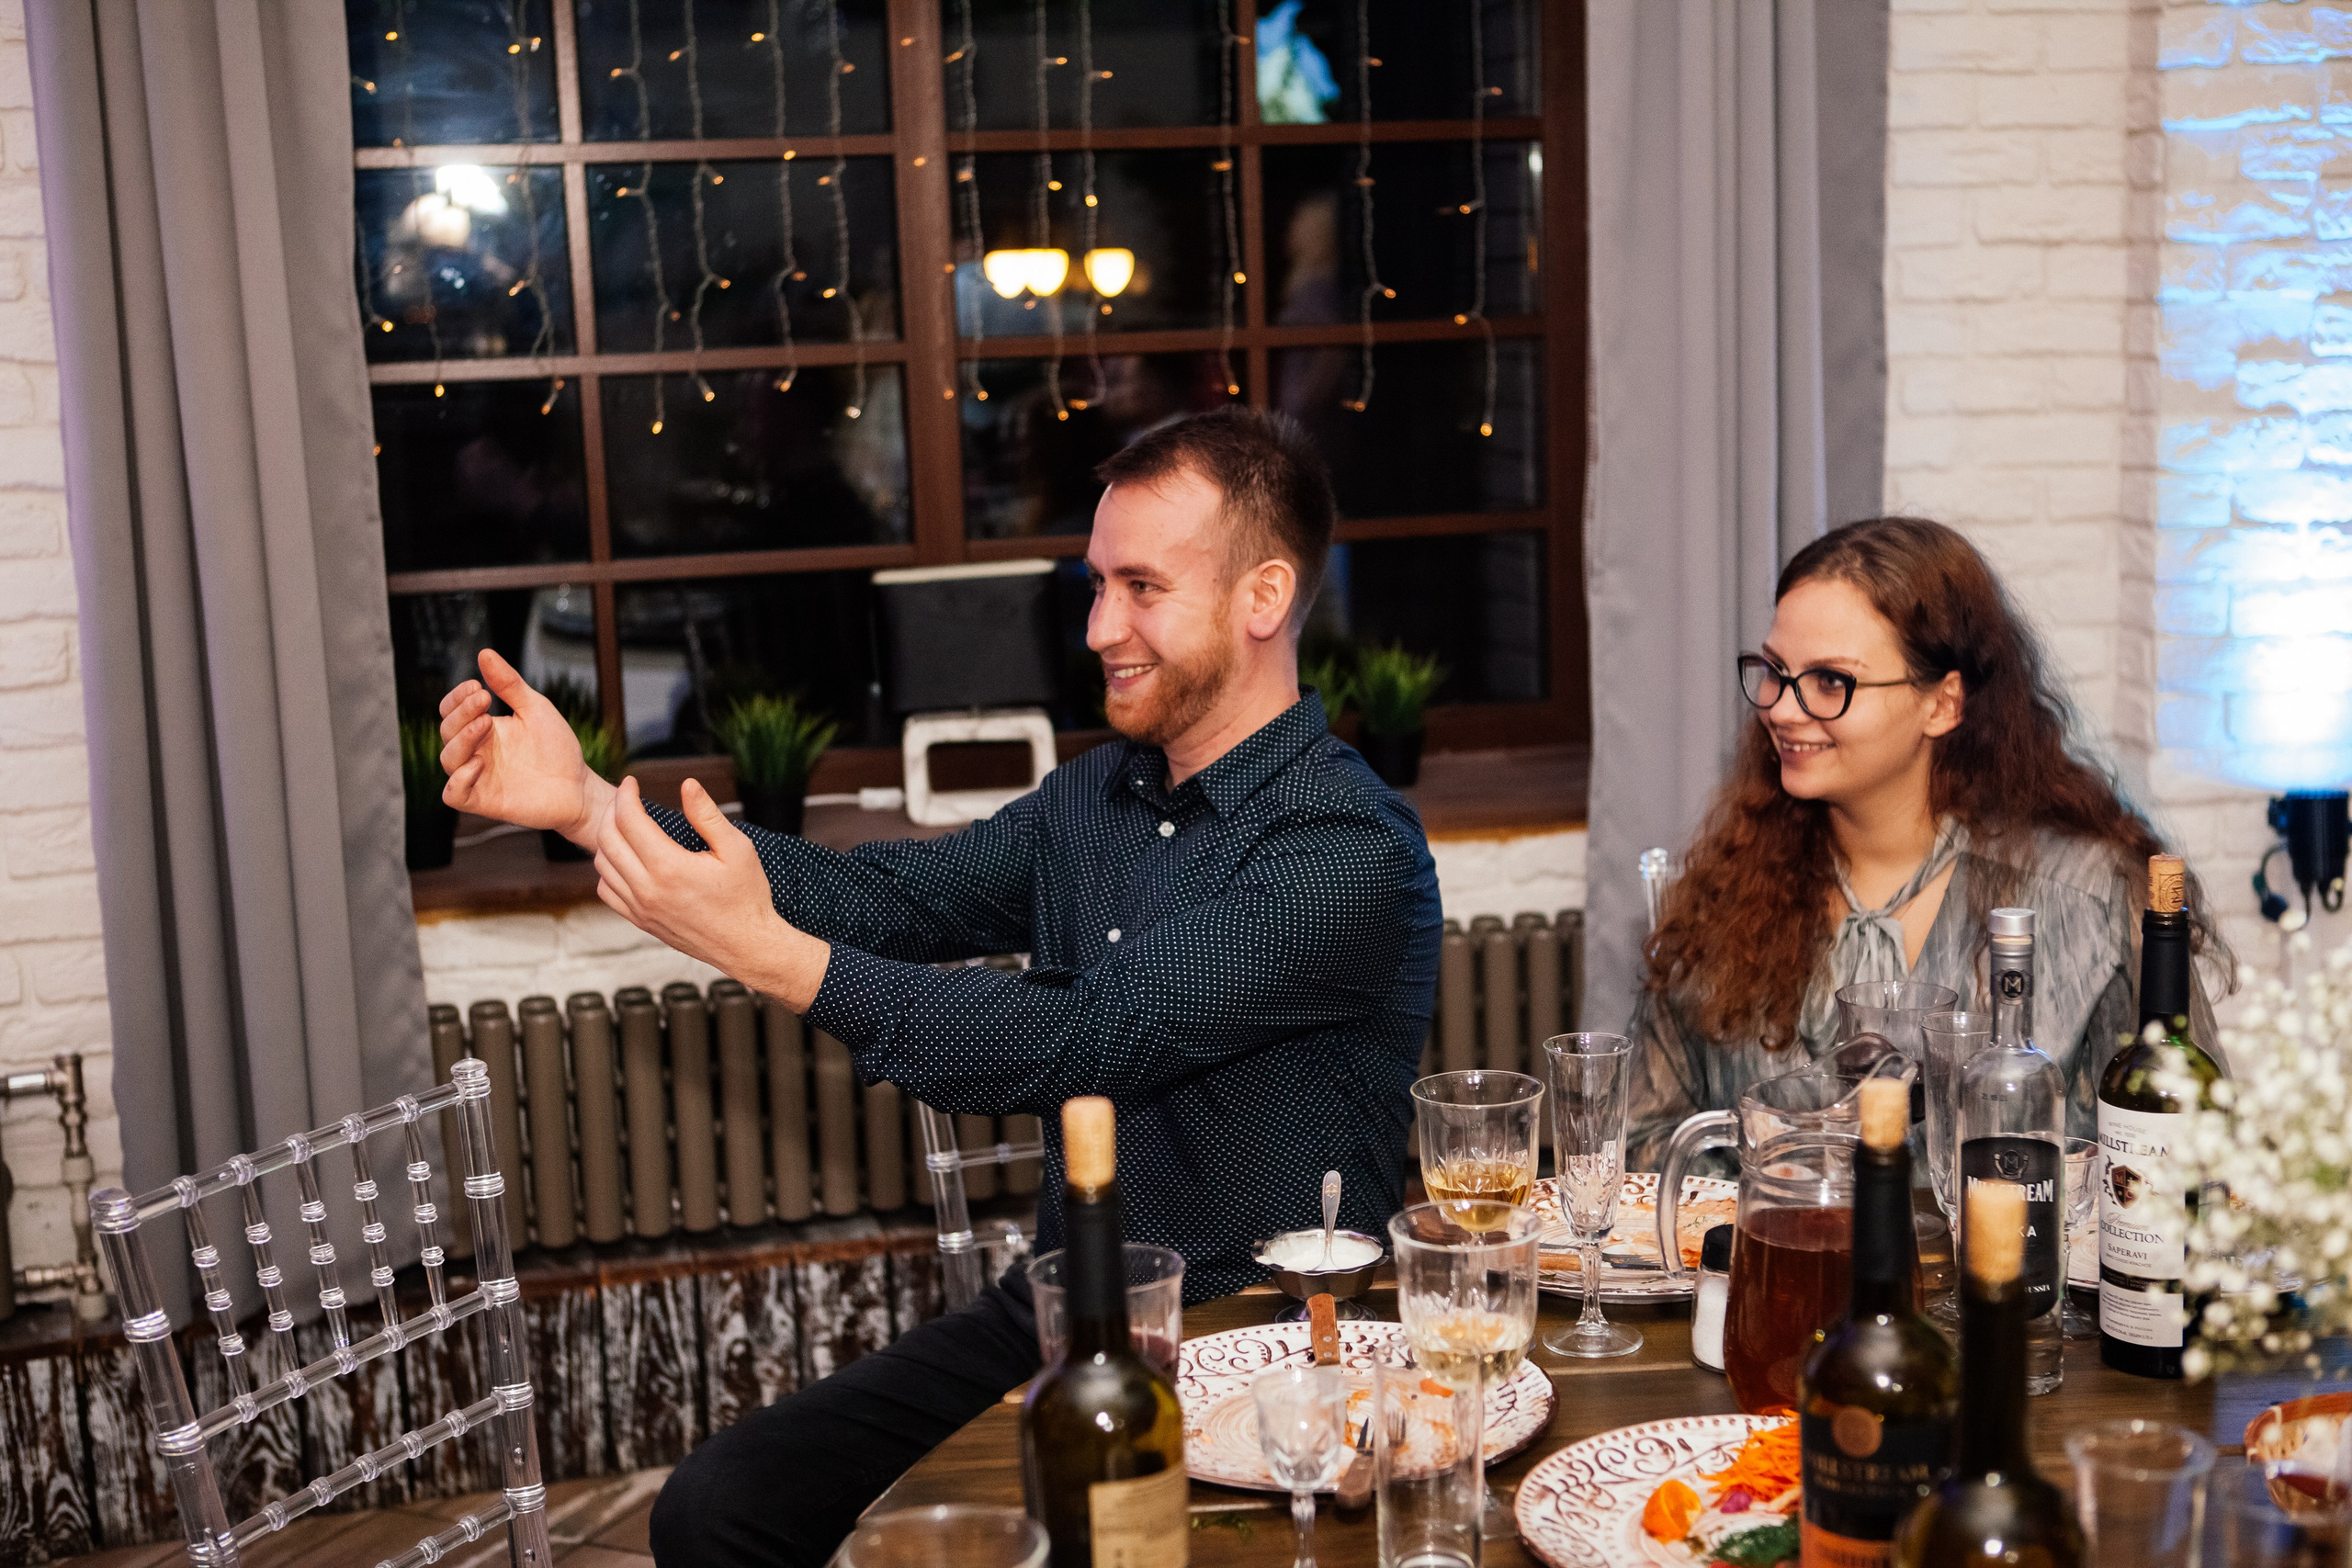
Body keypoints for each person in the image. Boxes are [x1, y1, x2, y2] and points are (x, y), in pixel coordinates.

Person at [434, 407, 1442, 1567]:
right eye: (1095, 584)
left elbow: (1086, 1042)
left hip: (1273, 1339)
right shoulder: (1094, 798)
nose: (1100, 625)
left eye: (1141, 587)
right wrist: (587, 805)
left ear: (1262, 598)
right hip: (1068, 1318)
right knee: (717, 1508)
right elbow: (886, 902)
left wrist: (767, 958)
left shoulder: (1347, 850)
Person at [1627, 516, 2225, 1168]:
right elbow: (1642, 1140)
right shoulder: (1729, 889)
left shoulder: (2094, 898)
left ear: (1942, 702)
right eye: (1774, 671)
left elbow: (2199, 1157)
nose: (1782, 708)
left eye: (1831, 681)